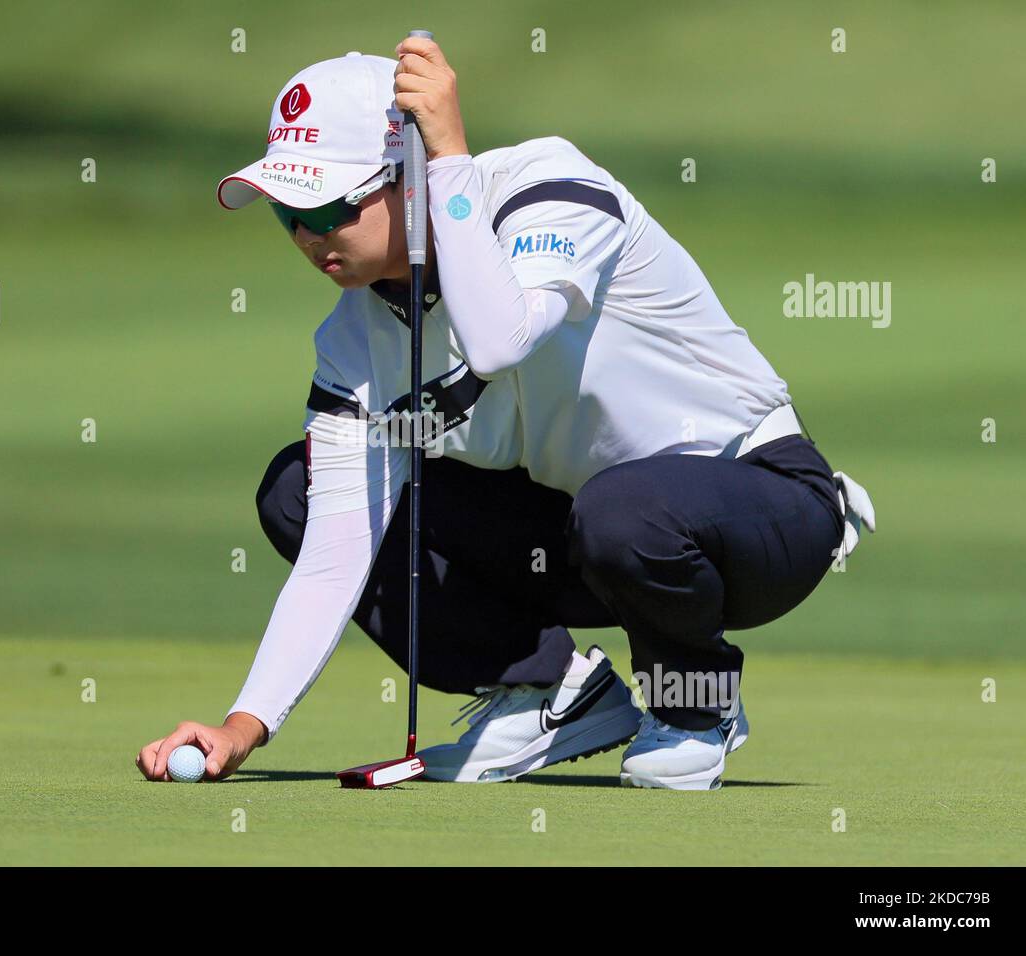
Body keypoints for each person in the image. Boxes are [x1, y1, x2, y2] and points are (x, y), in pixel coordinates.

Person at [136, 36, 876, 790]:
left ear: (410, 174)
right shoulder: (351, 343)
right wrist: (243, 726)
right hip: (590, 533)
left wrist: (448, 154)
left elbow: (497, 339)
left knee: (622, 508)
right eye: (287, 214)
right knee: (296, 488)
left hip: (761, 506)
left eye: (329, 205)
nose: (307, 236)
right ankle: (546, 693)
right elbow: (335, 553)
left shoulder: (549, 191)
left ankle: (696, 705)